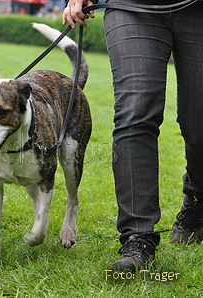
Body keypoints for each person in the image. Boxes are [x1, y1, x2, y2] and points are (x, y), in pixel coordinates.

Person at [63, 0, 203, 272]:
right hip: (130, 7)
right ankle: (137, 236)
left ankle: (196, 199)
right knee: (135, 113)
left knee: (199, 124)